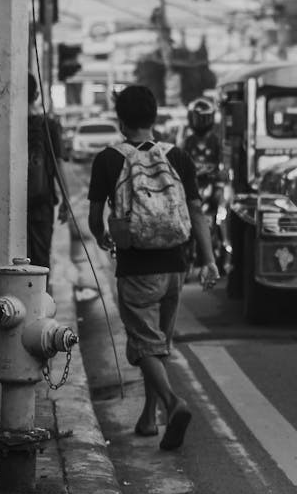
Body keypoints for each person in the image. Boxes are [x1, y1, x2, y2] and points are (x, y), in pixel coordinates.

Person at [87, 85, 219, 451]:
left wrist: (102, 238)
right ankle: (148, 419)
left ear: (120, 119)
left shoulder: (109, 160)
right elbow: (196, 212)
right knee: (158, 344)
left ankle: (172, 403)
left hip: (136, 266)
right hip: (177, 264)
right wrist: (208, 260)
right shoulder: (177, 155)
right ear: (154, 116)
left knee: (145, 346)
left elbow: (95, 218)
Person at [27, 72, 69, 278]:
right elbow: (59, 164)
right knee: (40, 262)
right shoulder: (48, 126)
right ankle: (38, 306)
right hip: (41, 205)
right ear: (35, 95)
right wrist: (66, 201)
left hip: (5, 203)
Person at [182, 97, 222, 177]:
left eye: (205, 119)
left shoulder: (217, 141)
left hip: (213, 183)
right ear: (191, 118)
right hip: (192, 183)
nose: (202, 122)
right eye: (198, 119)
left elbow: (223, 167)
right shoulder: (188, 142)